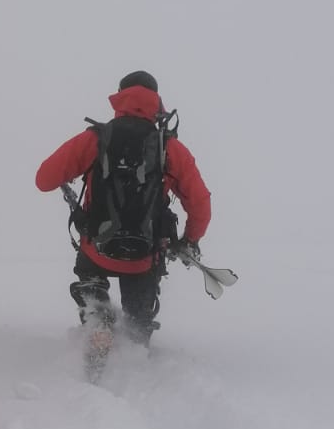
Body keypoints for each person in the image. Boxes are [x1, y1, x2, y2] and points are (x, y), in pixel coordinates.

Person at [35, 70, 211, 340]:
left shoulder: (96, 139)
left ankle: (97, 319)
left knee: (90, 275)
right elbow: (199, 204)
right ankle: (135, 342)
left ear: (120, 97)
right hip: (144, 258)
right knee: (138, 322)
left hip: (97, 250)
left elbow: (44, 179)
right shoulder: (169, 148)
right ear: (157, 101)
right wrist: (190, 239)